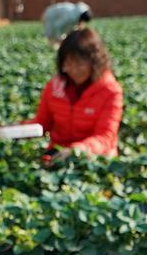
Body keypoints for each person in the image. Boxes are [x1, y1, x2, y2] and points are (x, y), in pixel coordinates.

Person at [29, 27, 123, 159]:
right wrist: (12, 130)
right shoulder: (54, 88)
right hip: (57, 154)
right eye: (68, 64)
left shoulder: (110, 91)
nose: (73, 70)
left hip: (95, 158)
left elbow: (105, 137)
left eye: (79, 64)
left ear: (95, 62)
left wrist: (78, 151)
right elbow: (41, 123)